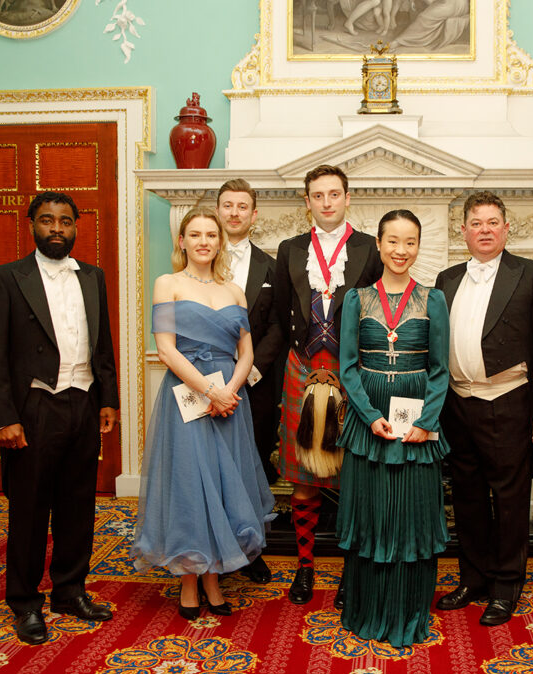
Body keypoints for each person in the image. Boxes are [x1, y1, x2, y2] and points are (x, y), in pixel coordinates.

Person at [0, 191, 119, 645]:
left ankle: (70, 590)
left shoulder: (93, 277)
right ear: (31, 225)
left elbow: (103, 347)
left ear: (77, 226)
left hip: (82, 401)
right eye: (47, 221)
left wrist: (107, 400)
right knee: (30, 508)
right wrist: (4, 417)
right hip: (34, 407)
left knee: (79, 505)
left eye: (65, 221)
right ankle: (24, 602)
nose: (57, 229)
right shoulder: (5, 278)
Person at [130, 207, 276, 619]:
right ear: (182, 241)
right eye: (195, 234)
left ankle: (215, 576)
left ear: (220, 241)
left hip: (230, 401)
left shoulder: (234, 291)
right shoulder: (167, 283)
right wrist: (210, 389)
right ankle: (191, 579)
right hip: (188, 397)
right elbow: (166, 348)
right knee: (191, 484)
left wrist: (229, 391)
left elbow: (246, 352)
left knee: (226, 485)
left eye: (211, 235)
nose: (204, 242)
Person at [433, 191, 533, 627]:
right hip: (458, 402)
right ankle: (474, 578)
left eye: (493, 222)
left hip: (509, 402)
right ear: (463, 231)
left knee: (509, 499)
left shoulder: (531, 273)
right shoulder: (447, 279)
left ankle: (507, 586)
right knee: (467, 497)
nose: (484, 230)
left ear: (506, 229)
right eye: (476, 222)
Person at [336, 210, 450, 646]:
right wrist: (368, 416)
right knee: (371, 514)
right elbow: (348, 367)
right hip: (370, 420)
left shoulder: (433, 299)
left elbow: (440, 370)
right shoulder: (356, 299)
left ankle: (407, 612)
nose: (401, 251)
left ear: (419, 247)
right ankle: (366, 610)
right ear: (379, 245)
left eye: (410, 242)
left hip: (418, 419)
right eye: (393, 242)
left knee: (410, 517)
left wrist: (426, 422)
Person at [274, 165, 384, 606]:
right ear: (307, 202)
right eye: (317, 195)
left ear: (347, 197)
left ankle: (347, 575)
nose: (326, 202)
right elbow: (283, 314)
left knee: (349, 479)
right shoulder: (289, 249)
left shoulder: (370, 249)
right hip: (302, 369)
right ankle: (304, 570)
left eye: (333, 194)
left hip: (350, 374)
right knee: (303, 480)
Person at [216, 179, 285, 584]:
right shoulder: (196, 259)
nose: (235, 213)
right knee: (212, 467)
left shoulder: (271, 266)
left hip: (255, 385)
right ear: (218, 209)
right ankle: (215, 547)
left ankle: (251, 549)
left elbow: (278, 326)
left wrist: (251, 371)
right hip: (204, 383)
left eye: (243, 206)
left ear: (254, 215)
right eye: (228, 205)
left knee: (252, 466)